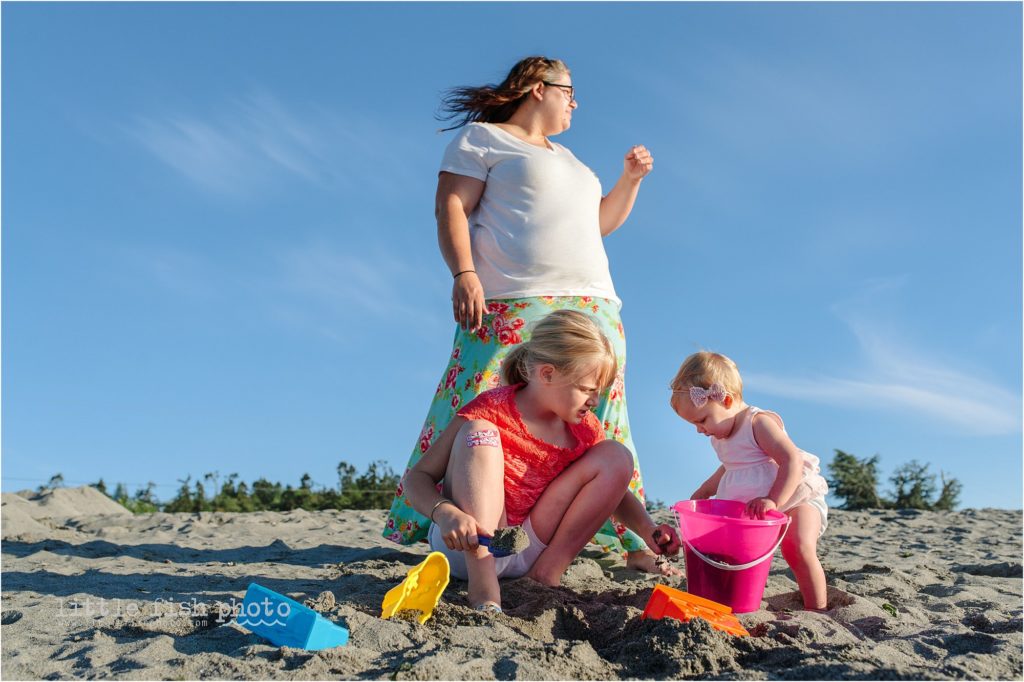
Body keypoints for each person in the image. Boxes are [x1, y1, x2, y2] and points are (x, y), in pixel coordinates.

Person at [382, 55, 672, 574]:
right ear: (538, 88)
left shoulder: (571, 161)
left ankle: (633, 544)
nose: (576, 102)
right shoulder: (483, 140)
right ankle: (466, 535)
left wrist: (629, 181)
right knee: (485, 406)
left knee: (599, 418)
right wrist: (464, 273)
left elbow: (597, 224)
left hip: (592, 299)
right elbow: (451, 206)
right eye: (569, 91)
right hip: (512, 297)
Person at [403, 310, 680, 611]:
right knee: (479, 432)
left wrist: (648, 530)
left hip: (529, 546)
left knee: (616, 456)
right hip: (468, 548)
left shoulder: (583, 429)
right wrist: (445, 514)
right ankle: (484, 588)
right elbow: (417, 478)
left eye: (599, 393)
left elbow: (614, 491)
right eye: (587, 390)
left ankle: (546, 574)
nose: (595, 402)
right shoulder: (490, 408)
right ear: (548, 374)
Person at [668, 351, 830, 610]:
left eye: (702, 420)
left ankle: (817, 608)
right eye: (694, 425)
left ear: (727, 400)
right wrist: (705, 489)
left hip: (797, 497)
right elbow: (730, 466)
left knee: (797, 547)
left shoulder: (758, 423)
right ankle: (732, 601)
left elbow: (792, 461)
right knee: (728, 551)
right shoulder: (719, 437)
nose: (700, 429)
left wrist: (774, 500)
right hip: (758, 509)